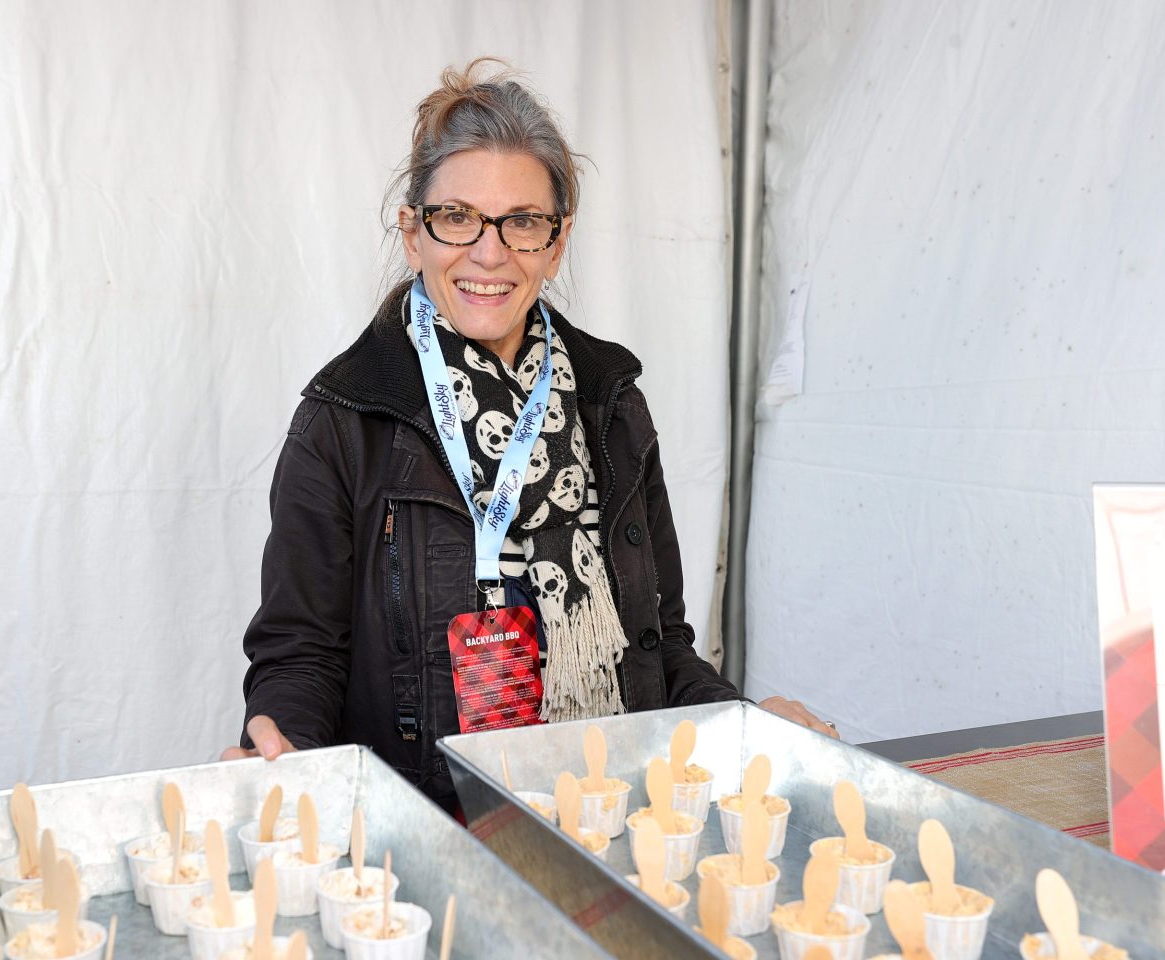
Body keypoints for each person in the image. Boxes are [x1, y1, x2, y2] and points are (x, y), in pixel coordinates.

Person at [222, 59, 834, 810]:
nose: (490, 251)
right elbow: (302, 654)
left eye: (523, 222)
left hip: (616, 813)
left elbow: (661, 647)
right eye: (457, 218)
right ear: (414, 233)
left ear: (558, 240)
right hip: (429, 828)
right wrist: (280, 746)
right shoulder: (346, 418)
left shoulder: (613, 406)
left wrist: (747, 723)